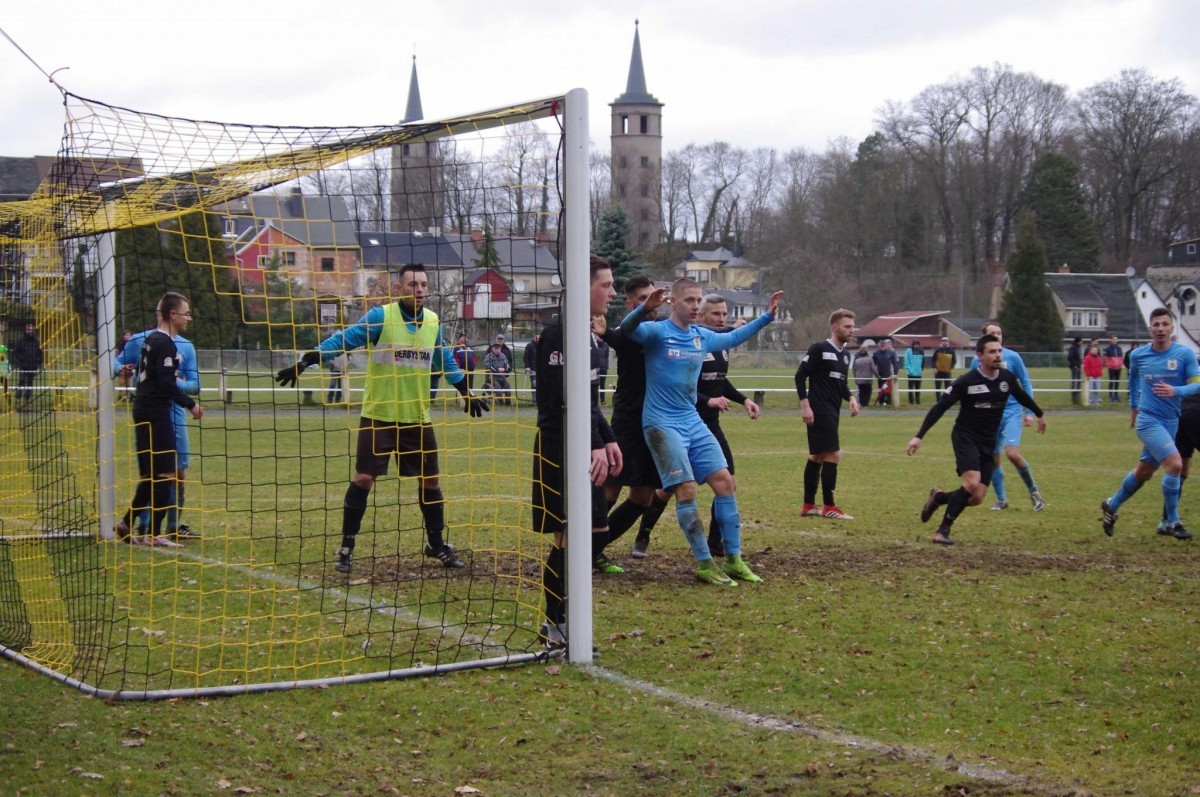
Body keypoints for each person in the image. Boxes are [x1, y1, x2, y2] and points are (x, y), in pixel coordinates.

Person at [275, 264, 489, 574]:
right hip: (379, 416)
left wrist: (466, 392)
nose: (419, 289)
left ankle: (436, 545)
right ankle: (346, 547)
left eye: (423, 284)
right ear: (399, 288)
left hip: (417, 417)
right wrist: (309, 358)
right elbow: (344, 338)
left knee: (431, 481)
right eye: (413, 284)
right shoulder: (381, 317)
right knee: (364, 478)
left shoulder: (432, 322)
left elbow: (446, 359)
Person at [620, 277, 782, 586]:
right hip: (661, 424)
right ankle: (705, 563)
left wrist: (767, 317)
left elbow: (735, 336)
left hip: (692, 420)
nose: (696, 306)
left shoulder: (701, 337)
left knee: (725, 482)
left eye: (698, 300)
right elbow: (627, 330)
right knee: (686, 489)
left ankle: (733, 559)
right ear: (673, 302)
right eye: (690, 300)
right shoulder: (656, 333)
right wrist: (643, 310)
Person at [532, 254, 623, 650]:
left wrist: (607, 437)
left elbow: (589, 401)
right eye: (606, 284)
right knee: (568, 538)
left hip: (586, 446)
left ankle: (567, 619)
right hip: (559, 450)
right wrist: (593, 444)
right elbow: (560, 405)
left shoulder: (589, 336)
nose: (613, 292)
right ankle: (555, 625)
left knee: (595, 535)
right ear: (582, 286)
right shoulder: (558, 336)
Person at [907, 334, 1046, 545]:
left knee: (977, 497)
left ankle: (938, 498)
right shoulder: (967, 381)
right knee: (971, 483)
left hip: (988, 443)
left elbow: (1021, 395)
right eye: (992, 351)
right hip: (966, 437)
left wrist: (1039, 414)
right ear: (980, 355)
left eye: (999, 351)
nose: (997, 355)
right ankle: (942, 531)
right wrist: (919, 436)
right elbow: (940, 407)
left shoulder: (1007, 378)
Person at [1100, 307, 1199, 541]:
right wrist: (1134, 408)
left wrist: (1176, 390)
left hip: (1171, 421)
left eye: (1165, 324)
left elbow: (1197, 385)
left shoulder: (1184, 355)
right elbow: (1133, 381)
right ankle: (1172, 522)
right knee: (1175, 465)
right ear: (1150, 329)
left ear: (1172, 328)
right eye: (1156, 325)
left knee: (1144, 473)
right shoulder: (1138, 356)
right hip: (1148, 420)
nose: (1161, 329)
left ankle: (1111, 505)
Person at [115, 293, 204, 547]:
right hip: (156, 412)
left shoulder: (149, 340)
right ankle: (154, 534)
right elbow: (166, 384)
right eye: (186, 313)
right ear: (173, 314)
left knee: (151, 474)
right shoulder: (166, 343)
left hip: (142, 408)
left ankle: (127, 523)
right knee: (166, 472)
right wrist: (191, 405)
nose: (188, 318)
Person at [601, 275, 670, 561]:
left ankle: (593, 549)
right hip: (628, 422)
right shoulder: (628, 332)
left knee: (642, 498)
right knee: (609, 491)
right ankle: (578, 549)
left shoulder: (666, 332)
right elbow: (616, 338)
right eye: (642, 299)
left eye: (653, 297)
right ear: (630, 303)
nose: (650, 303)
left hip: (656, 424)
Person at [971, 321, 1045, 512]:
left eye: (999, 333)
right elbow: (972, 389)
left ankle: (1034, 492)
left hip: (1011, 412)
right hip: (989, 414)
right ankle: (1001, 499)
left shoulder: (1013, 357)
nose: (997, 336)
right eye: (992, 333)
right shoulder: (976, 361)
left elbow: (1026, 383)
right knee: (994, 458)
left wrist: (1029, 412)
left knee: (1011, 453)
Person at [795, 309, 860, 520]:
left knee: (817, 456)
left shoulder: (846, 354)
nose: (851, 330)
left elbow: (841, 383)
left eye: (852, 326)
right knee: (833, 454)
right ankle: (829, 507)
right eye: (847, 326)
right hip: (818, 408)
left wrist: (850, 397)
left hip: (833, 409)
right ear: (834, 327)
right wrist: (805, 405)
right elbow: (799, 376)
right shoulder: (819, 349)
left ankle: (808, 505)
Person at [1159, 353, 1200, 535]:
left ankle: (1165, 521)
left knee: (1179, 470)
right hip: (1196, 413)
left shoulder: (1194, 364)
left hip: (1182, 412)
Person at [11, 322, 42, 409]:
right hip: (23, 366)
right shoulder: (20, 340)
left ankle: (27, 398)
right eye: (28, 329)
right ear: (25, 329)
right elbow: (15, 351)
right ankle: (18, 398)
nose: (30, 331)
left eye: (31, 329)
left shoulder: (36, 341)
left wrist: (38, 362)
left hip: (32, 366)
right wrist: (21, 360)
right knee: (21, 381)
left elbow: (39, 353)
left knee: (30, 383)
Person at [483, 341, 512, 406]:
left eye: (498, 348)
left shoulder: (503, 355)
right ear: (492, 348)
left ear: (500, 349)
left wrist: (505, 369)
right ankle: (500, 402)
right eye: (495, 348)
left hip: (502, 376)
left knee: (507, 386)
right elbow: (487, 366)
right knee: (497, 387)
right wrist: (497, 369)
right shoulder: (488, 356)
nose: (497, 350)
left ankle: (508, 402)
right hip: (493, 377)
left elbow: (507, 364)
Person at [872, 339, 898, 406]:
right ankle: (881, 402)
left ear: (886, 346)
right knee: (881, 390)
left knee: (888, 390)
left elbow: (895, 363)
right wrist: (876, 375)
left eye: (883, 345)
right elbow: (873, 365)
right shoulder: (875, 354)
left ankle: (889, 402)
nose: (882, 347)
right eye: (881, 346)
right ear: (879, 346)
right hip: (880, 375)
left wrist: (894, 374)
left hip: (888, 375)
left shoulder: (891, 353)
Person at [852, 343, 876, 407]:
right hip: (868, 378)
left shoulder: (856, 357)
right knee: (867, 391)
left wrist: (855, 378)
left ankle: (862, 404)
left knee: (861, 391)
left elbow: (854, 369)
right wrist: (878, 376)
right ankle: (865, 404)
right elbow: (873, 368)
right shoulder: (869, 358)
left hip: (859, 378)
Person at [1103, 334, 1124, 403]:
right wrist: (1109, 365)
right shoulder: (1108, 349)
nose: (1115, 340)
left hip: (1118, 367)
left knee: (1117, 382)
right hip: (1111, 368)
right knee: (1112, 381)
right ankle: (1111, 396)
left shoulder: (1119, 348)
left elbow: (1121, 358)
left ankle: (1116, 396)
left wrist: (1120, 364)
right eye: (1114, 339)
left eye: (1116, 339)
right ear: (1111, 340)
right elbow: (1106, 359)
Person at [904, 338, 925, 405]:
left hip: (918, 373)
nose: (916, 345)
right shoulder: (908, 351)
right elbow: (906, 361)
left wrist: (921, 368)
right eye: (915, 344)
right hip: (911, 374)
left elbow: (923, 361)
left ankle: (918, 400)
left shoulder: (921, 351)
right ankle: (911, 401)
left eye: (917, 344)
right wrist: (909, 369)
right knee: (910, 388)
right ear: (912, 344)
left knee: (918, 388)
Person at [1083, 342, 1103, 406]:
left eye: (1096, 350)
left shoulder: (1099, 358)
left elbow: (1100, 366)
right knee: (1090, 389)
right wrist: (1088, 375)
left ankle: (1096, 401)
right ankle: (1088, 401)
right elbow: (1086, 367)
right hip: (1091, 376)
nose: (1095, 351)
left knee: (1097, 389)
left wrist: (1100, 373)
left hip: (1098, 376)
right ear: (1091, 350)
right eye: (1094, 350)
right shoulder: (1087, 358)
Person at [1067, 336, 1084, 405]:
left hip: (1078, 366)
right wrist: (1075, 364)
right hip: (1075, 367)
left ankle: (1078, 396)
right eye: (1081, 341)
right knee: (1075, 381)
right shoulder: (1073, 347)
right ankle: (1074, 398)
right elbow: (1069, 357)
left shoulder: (1077, 347)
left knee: (1078, 381)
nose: (1082, 342)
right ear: (1079, 341)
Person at [523, 334, 539, 400]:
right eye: (537, 338)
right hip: (533, 368)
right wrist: (527, 366)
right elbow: (525, 357)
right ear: (533, 338)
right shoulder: (529, 345)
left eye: (539, 338)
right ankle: (534, 399)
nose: (538, 339)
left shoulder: (542, 345)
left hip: (541, 369)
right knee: (534, 383)